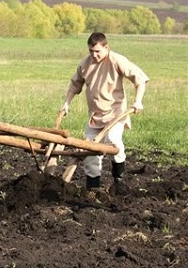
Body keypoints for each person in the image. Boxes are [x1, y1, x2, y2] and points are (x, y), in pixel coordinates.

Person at [61, 32, 149, 191]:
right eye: (91, 51)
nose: (94, 55)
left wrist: (138, 101)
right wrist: (66, 103)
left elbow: (140, 79)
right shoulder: (85, 64)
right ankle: (93, 189)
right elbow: (75, 85)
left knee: (113, 141)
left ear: (106, 47)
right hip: (95, 117)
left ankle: (119, 180)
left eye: (97, 51)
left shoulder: (116, 60)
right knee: (90, 153)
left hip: (115, 115)